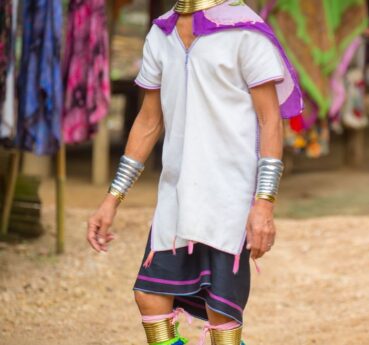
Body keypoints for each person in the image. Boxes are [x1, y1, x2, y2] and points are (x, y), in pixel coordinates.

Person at [87, 0, 302, 344]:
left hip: (229, 197)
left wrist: (264, 203)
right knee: (150, 298)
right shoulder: (162, 33)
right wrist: (112, 199)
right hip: (176, 191)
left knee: (222, 318)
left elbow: (270, 121)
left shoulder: (246, 32)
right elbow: (148, 121)